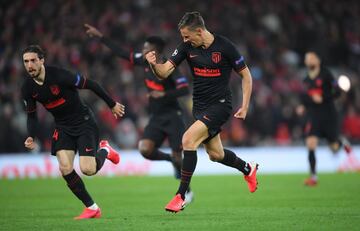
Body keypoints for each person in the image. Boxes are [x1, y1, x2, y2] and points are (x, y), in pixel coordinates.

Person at [145, 12, 258, 213]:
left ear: (199, 31)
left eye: (187, 36)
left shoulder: (225, 47)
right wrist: (153, 64)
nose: (184, 40)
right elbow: (164, 72)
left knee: (188, 140)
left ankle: (180, 196)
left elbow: (246, 76)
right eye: (183, 37)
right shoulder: (186, 48)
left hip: (220, 105)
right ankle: (248, 169)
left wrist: (246, 105)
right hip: (199, 107)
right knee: (216, 154)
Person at [84, 24, 194, 203]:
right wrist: (100, 37)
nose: (142, 50)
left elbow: (184, 89)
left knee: (178, 156)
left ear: (155, 51)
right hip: (156, 117)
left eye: (146, 48)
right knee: (145, 149)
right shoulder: (144, 61)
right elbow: (122, 53)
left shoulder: (169, 66)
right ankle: (172, 161)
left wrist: (164, 94)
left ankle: (186, 192)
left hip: (174, 116)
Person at [21, 45, 125, 219]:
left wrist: (112, 104)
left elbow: (92, 84)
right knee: (65, 168)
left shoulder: (60, 76)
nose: (29, 65)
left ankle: (105, 150)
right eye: (26, 61)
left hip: (83, 123)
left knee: (88, 169)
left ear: (42, 61)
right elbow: (31, 116)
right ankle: (92, 208)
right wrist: (31, 136)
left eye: (33, 60)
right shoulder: (27, 88)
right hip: (62, 127)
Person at [297, 51, 353, 186]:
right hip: (313, 116)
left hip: (328, 115)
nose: (309, 60)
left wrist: (323, 98)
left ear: (318, 61)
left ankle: (341, 142)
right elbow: (306, 97)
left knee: (334, 147)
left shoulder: (326, 74)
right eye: (307, 58)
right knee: (310, 143)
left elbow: (337, 92)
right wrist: (302, 106)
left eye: (312, 58)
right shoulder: (306, 80)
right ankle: (313, 177)